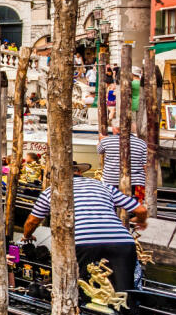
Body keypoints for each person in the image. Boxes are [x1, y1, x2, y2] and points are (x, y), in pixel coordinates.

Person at [23, 160, 147, 292]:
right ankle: (129, 311)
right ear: (79, 172)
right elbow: (141, 210)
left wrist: (27, 235)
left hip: (82, 241)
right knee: (125, 290)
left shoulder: (51, 191)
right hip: (122, 241)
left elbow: (32, 221)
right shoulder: (103, 186)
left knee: (80, 286)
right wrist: (140, 221)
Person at [97, 125, 148, 200]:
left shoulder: (106, 141)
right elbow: (145, 166)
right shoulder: (142, 143)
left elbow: (99, 150)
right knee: (136, 204)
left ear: (115, 129)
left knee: (112, 202)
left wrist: (101, 140)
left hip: (111, 180)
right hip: (136, 181)